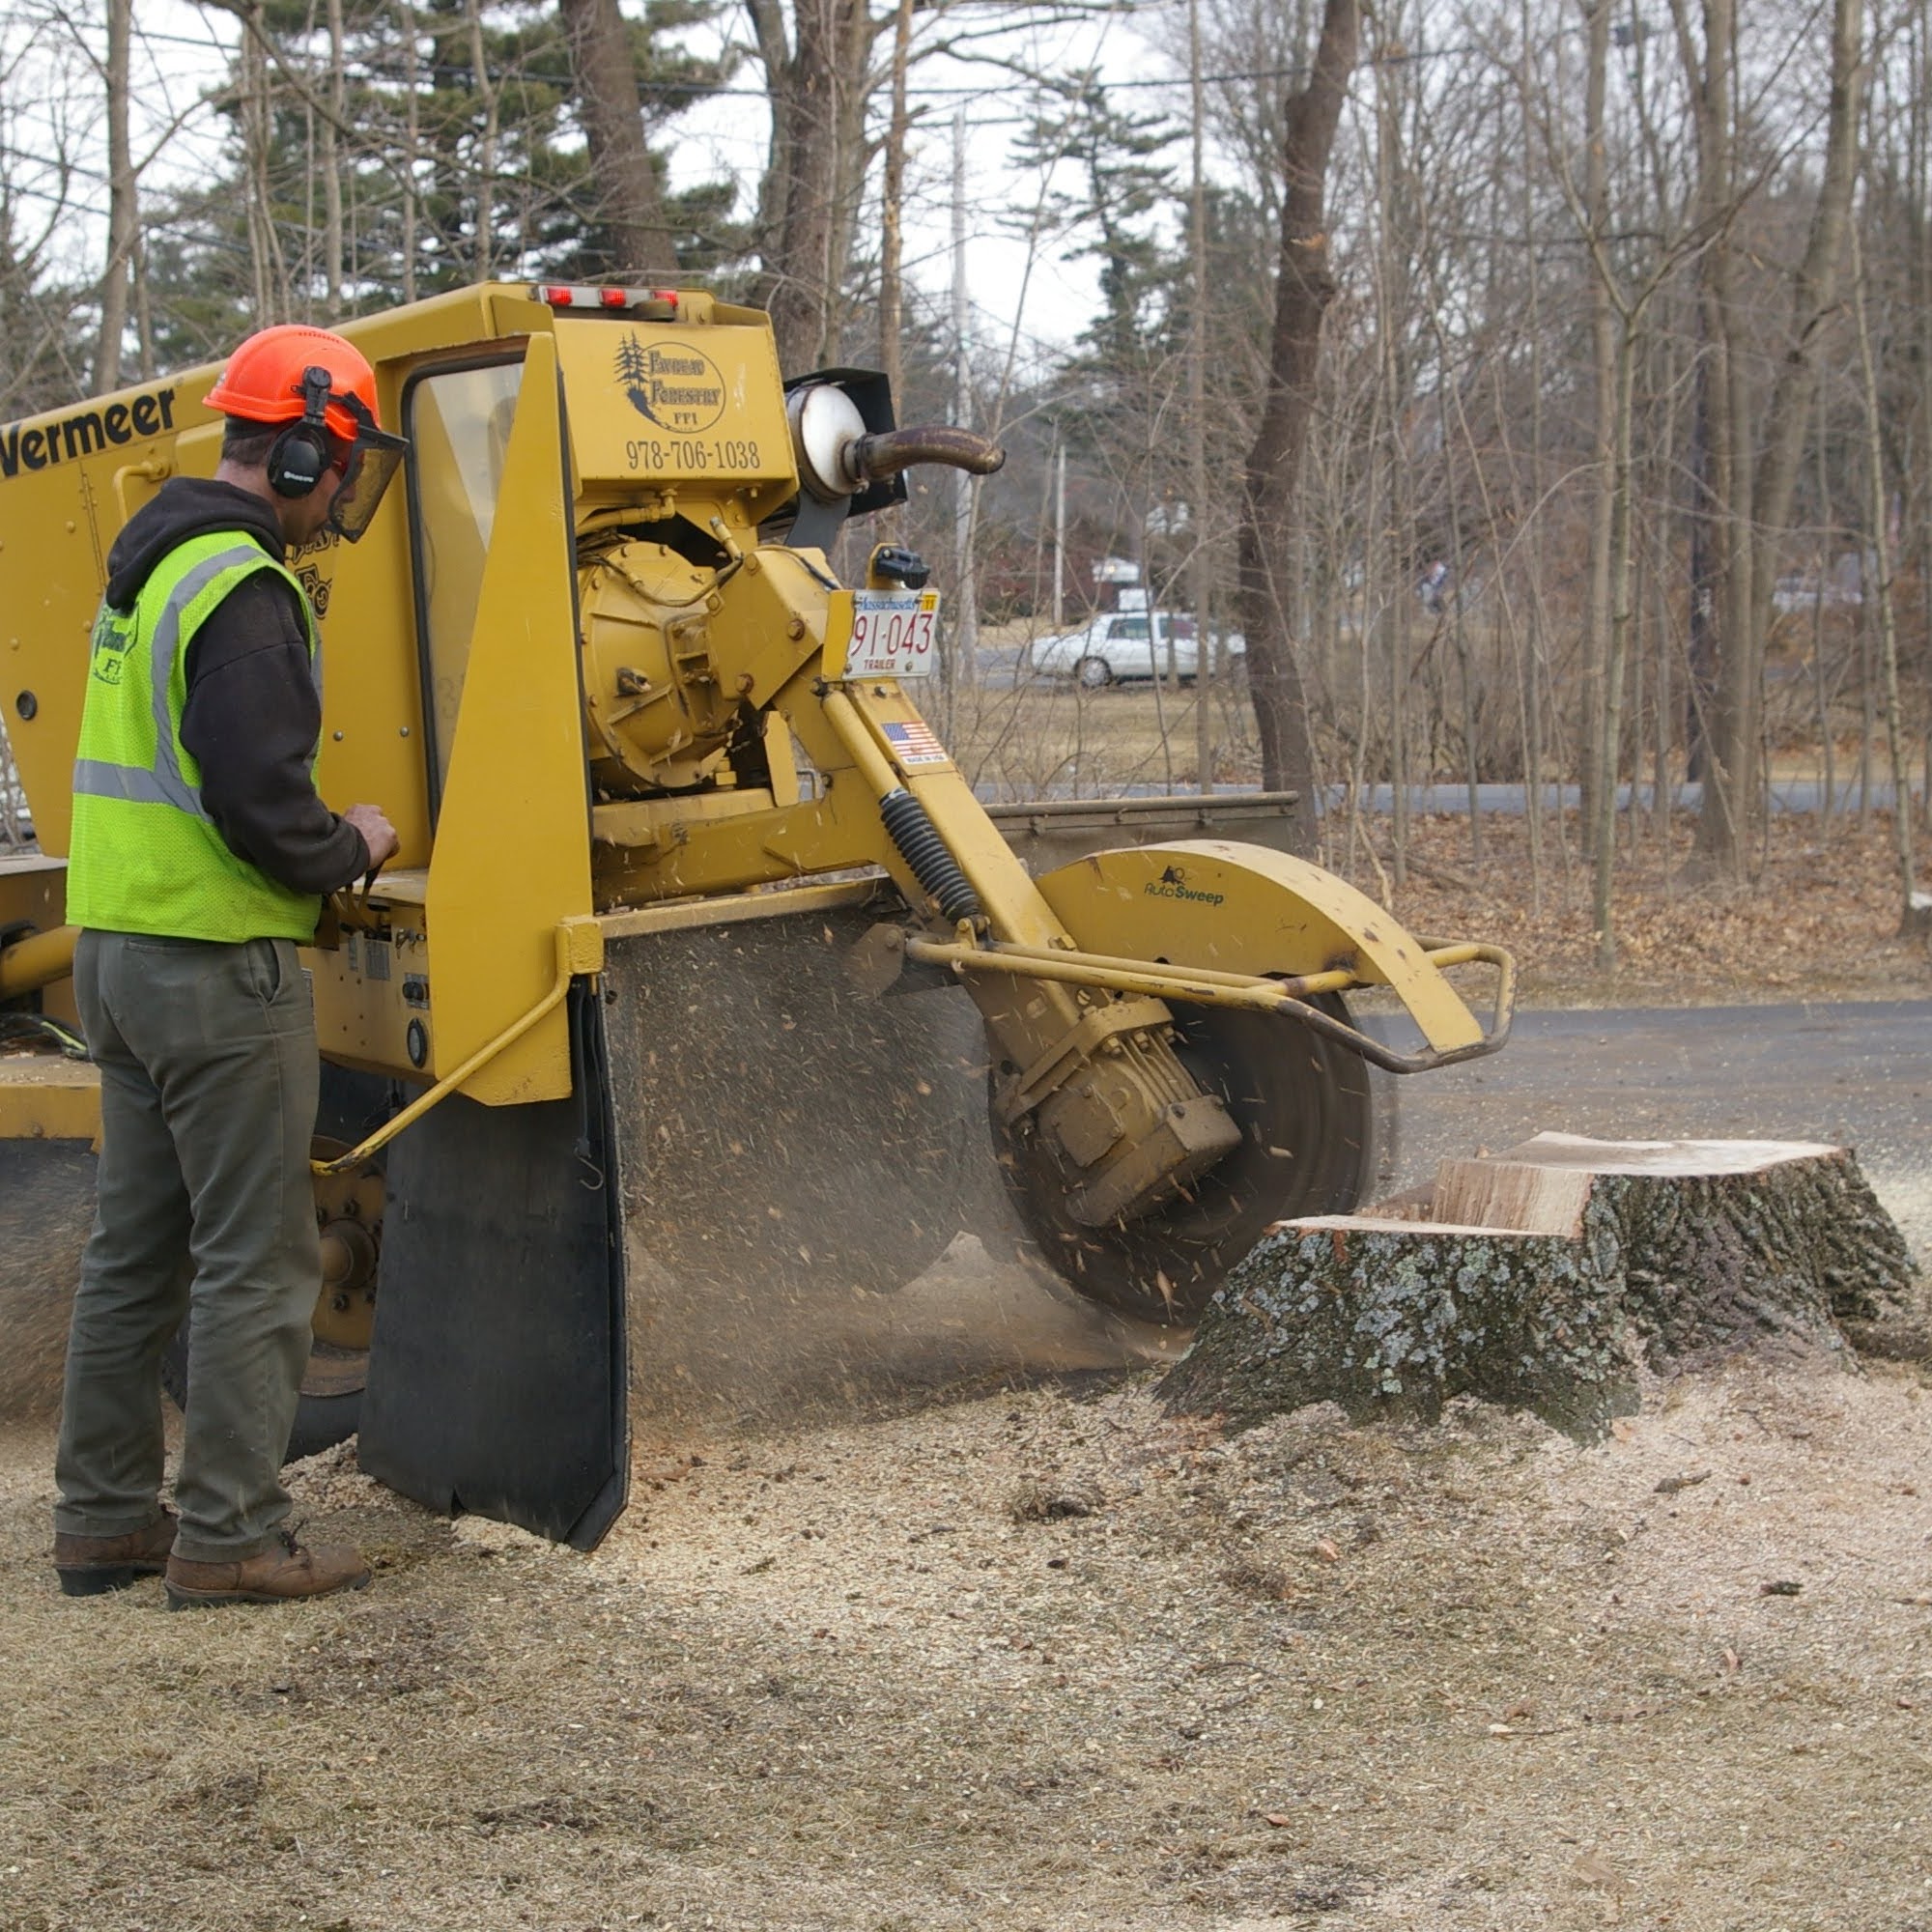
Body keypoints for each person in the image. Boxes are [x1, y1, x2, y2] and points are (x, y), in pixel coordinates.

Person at [50, 325, 408, 1608]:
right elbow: (260, 798)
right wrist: (348, 844)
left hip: (120, 959)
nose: (345, 493)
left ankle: (101, 1522)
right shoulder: (243, 590)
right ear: (308, 446)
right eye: (346, 463)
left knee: (135, 1251)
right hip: (214, 966)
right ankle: (233, 1537)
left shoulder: (150, 569)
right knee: (263, 1256)